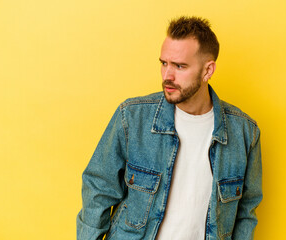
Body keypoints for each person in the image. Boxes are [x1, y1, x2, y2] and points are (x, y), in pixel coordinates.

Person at [77, 16, 262, 240]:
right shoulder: (132, 117)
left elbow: (246, 212)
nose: (167, 76)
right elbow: (99, 190)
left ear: (207, 70)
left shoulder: (244, 132)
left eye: (180, 66)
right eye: (164, 63)